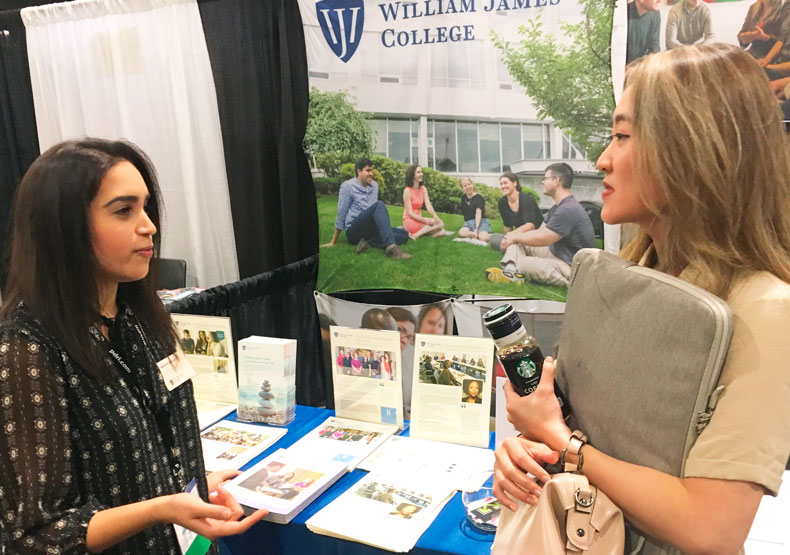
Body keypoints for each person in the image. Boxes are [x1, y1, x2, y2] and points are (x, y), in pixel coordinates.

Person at [493, 44, 790, 554]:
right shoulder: (625, 275)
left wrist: (566, 446)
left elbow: (711, 528)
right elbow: (569, 417)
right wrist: (523, 457)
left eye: (623, 136)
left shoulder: (767, 310)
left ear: (694, 148)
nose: (602, 159)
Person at [0, 139, 265, 553]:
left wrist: (192, 484)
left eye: (146, 208)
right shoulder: (27, 347)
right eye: (124, 211)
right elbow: (36, 533)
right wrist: (161, 508)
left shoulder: (138, 314)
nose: (149, 226)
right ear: (63, 226)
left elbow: (156, 436)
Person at [486, 163, 595, 287]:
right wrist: (513, 237)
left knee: (523, 263)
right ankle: (510, 271)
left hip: (571, 266)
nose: (542, 182)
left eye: (545, 178)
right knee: (518, 243)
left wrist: (514, 236)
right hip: (557, 252)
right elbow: (539, 231)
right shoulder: (558, 206)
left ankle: (572, 283)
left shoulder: (568, 209)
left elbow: (543, 238)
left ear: (556, 181)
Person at [321, 157, 411, 259]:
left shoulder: (374, 186)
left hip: (370, 230)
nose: (371, 174)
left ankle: (368, 243)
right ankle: (391, 248)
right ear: (359, 171)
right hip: (354, 230)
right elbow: (342, 213)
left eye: (371, 170)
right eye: (368, 170)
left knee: (404, 234)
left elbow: (374, 214)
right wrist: (333, 241)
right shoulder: (347, 186)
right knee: (379, 204)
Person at [489, 172, 543, 252]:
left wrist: (511, 237)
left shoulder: (526, 199)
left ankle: (515, 248)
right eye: (501, 184)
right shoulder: (502, 202)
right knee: (493, 239)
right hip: (518, 235)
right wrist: (507, 240)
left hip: (535, 234)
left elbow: (530, 226)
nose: (503, 186)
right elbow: (507, 226)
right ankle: (513, 247)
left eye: (505, 183)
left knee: (509, 243)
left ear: (514, 183)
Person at [402, 164, 450, 239]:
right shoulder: (407, 191)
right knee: (438, 226)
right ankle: (416, 235)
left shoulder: (423, 189)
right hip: (410, 220)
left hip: (420, 219)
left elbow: (428, 205)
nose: (421, 174)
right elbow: (410, 213)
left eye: (421, 172)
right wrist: (425, 220)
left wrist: (434, 215)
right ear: (412, 175)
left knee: (441, 228)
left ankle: (418, 234)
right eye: (418, 172)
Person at [739, 0, 786, 68]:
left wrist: (765, 37)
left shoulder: (784, 7)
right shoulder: (753, 7)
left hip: (775, 58)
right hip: (754, 53)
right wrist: (745, 38)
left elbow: (785, 43)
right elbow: (743, 39)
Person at [456, 177, 492, 243]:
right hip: (469, 223)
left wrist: (476, 228)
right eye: (465, 186)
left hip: (481, 221)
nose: (468, 187)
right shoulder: (463, 198)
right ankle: (476, 234)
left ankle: (492, 235)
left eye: (469, 184)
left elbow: (478, 214)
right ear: (462, 188)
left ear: (472, 184)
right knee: (461, 232)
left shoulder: (479, 198)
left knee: (483, 238)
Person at [627, 0, 661, 65]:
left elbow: (654, 47)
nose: (660, 1)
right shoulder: (623, 13)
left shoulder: (655, 14)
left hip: (642, 66)